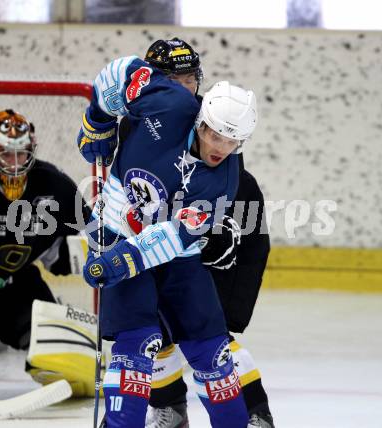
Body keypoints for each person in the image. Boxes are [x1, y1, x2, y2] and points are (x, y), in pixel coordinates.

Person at [77, 51, 257, 427]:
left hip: (176, 256)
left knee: (212, 354)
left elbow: (174, 236)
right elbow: (119, 72)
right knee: (137, 348)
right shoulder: (170, 103)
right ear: (201, 118)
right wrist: (97, 121)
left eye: (233, 141)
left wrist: (121, 260)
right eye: (216, 134)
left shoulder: (223, 181)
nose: (221, 148)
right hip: (118, 231)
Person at [117, 39, 274, 428]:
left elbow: (215, 189)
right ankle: (171, 406)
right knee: (153, 328)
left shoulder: (212, 117)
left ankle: (255, 414)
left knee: (211, 337)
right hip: (169, 239)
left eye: (189, 78)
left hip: (224, 234)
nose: (183, 87)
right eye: (171, 78)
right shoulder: (140, 118)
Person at [0, 109, 97, 398]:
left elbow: (91, 239)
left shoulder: (55, 187)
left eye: (22, 153)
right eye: (6, 154)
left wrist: (82, 254)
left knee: (59, 348)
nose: (15, 163)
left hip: (16, 285)